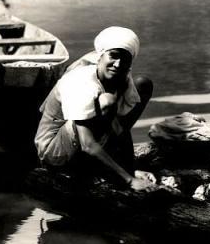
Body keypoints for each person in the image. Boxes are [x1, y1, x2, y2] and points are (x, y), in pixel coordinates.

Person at [34, 26, 154, 190]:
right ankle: (86, 168)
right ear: (100, 56)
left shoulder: (122, 73)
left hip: (84, 141)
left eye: (125, 59)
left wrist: (131, 171)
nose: (118, 64)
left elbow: (120, 129)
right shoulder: (81, 79)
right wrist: (129, 180)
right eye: (113, 56)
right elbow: (87, 143)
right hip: (53, 152)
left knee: (143, 84)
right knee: (107, 101)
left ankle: (101, 165)